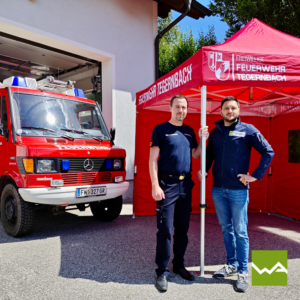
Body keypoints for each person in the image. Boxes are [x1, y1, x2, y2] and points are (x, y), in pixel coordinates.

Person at [200, 96, 274, 293]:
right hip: (217, 189)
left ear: (239, 109)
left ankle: (243, 270)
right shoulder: (215, 132)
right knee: (226, 228)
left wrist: (255, 176)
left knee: (241, 231)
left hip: (238, 190)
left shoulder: (248, 129)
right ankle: (231, 264)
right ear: (221, 110)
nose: (230, 111)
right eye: (226, 108)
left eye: (233, 108)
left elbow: (268, 151)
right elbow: (209, 156)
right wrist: (204, 170)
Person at [149, 94, 208, 292]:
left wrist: (202, 139)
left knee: (182, 228)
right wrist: (155, 185)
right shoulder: (161, 130)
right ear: (171, 107)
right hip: (167, 185)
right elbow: (152, 160)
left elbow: (196, 155)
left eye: (184, 107)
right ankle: (162, 271)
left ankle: (179, 265)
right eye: (177, 107)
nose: (181, 110)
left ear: (187, 109)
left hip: (186, 186)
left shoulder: (189, 131)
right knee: (165, 229)